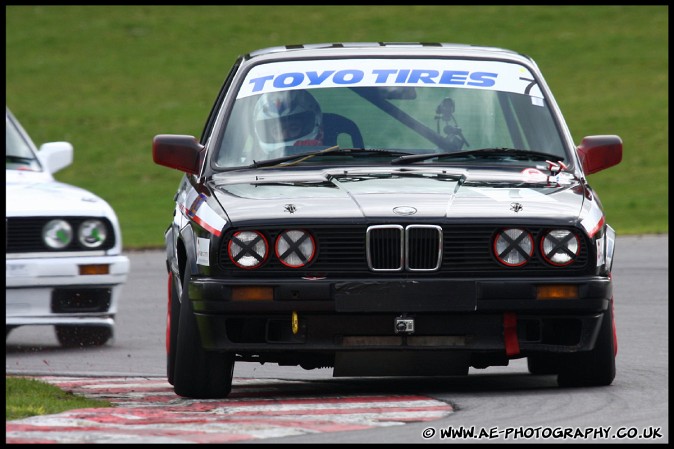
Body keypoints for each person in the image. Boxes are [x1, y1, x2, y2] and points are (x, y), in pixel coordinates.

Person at [253, 89, 323, 154]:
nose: (285, 135)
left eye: (293, 128)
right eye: (277, 131)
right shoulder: (251, 163)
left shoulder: (329, 158)